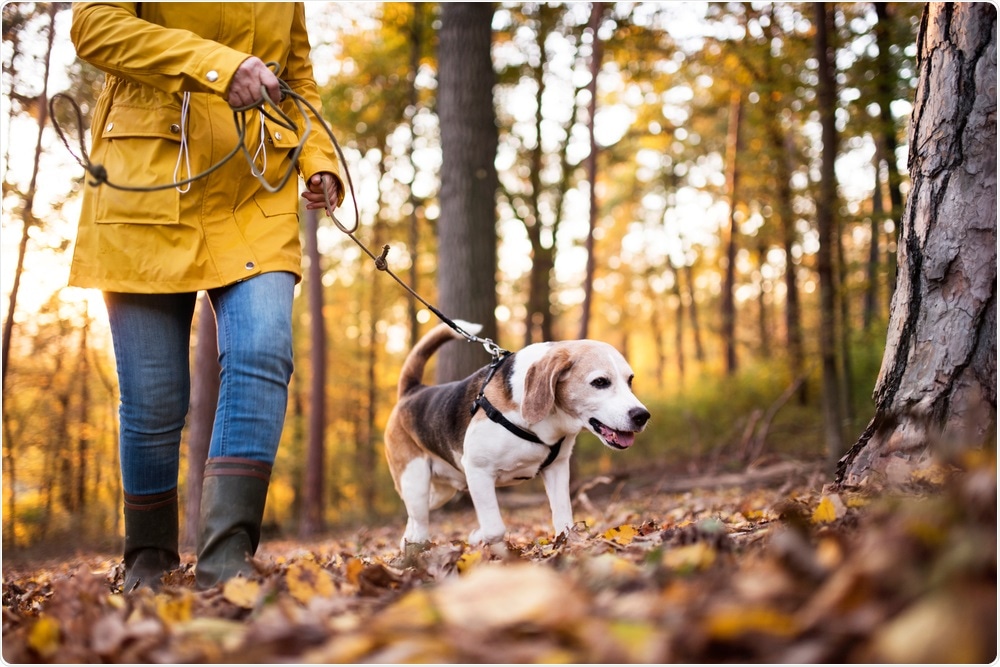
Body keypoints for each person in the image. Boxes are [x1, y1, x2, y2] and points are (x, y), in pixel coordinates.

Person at [69, 3, 344, 591]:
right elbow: (92, 27)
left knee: (263, 351)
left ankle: (226, 559)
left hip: (254, 185)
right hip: (146, 178)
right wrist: (218, 65)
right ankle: (148, 557)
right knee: (154, 400)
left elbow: (297, 75)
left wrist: (318, 159)